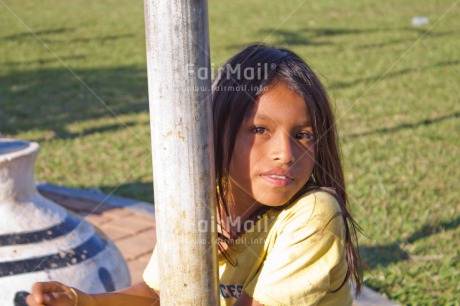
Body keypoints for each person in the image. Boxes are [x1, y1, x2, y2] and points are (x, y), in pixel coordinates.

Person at [26, 44, 364, 306]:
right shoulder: (198, 202)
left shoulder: (313, 213)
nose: (285, 154)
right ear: (216, 130)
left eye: (302, 135)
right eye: (260, 129)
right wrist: (81, 300)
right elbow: (160, 295)